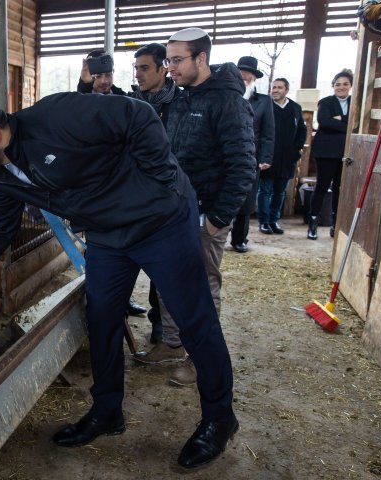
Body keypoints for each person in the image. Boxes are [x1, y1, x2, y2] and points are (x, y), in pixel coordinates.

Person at [0, 93, 238, 469]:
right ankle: (107, 410)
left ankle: (219, 419)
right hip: (107, 235)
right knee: (102, 318)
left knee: (194, 319)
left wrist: (159, 179)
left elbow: (137, 115)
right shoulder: (0, 175)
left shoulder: (56, 116)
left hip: (159, 224)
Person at [133, 28, 256, 395]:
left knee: (202, 287)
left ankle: (200, 359)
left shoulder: (228, 102)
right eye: (168, 60)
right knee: (170, 281)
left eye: (176, 59)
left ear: (200, 58)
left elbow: (243, 166)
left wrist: (217, 218)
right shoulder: (184, 97)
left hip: (205, 213)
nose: (170, 67)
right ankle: (173, 345)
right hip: (175, 211)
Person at [74, 47, 146, 317]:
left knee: (128, 248)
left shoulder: (124, 98)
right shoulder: (81, 99)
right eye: (98, 75)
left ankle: (124, 299)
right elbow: (76, 112)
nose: (103, 81)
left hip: (124, 184)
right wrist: (83, 83)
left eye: (107, 74)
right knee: (99, 247)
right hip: (95, 185)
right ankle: (104, 303)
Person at [127, 42, 182, 343]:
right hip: (134, 195)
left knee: (162, 262)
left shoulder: (180, 104)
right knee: (128, 255)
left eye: (145, 67)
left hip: (167, 196)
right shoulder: (131, 102)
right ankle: (121, 306)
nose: (138, 74)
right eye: (136, 68)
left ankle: (159, 321)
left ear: (164, 68)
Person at [229, 56, 275, 252]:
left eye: (247, 77)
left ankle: (239, 239)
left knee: (246, 199)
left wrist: (266, 157)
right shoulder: (226, 98)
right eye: (240, 76)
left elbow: (268, 132)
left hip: (250, 157)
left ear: (254, 79)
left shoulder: (264, 101)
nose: (243, 80)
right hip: (225, 155)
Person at [308, 69, 353, 240]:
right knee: (321, 186)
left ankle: (336, 223)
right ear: (333, 86)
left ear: (350, 86)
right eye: (338, 84)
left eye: (345, 84)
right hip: (326, 151)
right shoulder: (325, 102)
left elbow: (356, 123)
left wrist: (340, 118)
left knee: (339, 189)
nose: (341, 87)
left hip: (345, 151)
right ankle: (313, 222)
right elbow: (324, 122)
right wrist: (346, 121)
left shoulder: (355, 102)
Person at [259, 78, 307, 233]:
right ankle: (263, 222)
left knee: (280, 192)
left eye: (279, 87)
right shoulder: (266, 106)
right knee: (265, 191)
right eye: (273, 87)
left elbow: (302, 131)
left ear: (286, 90)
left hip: (287, 159)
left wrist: (295, 151)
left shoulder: (295, 108)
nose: (275, 90)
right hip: (269, 157)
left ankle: (274, 221)